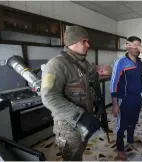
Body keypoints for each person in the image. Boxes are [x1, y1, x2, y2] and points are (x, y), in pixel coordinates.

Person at [41, 26, 100, 161]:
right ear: (73, 42)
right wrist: (81, 116)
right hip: (68, 126)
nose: (88, 45)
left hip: (84, 121)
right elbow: (49, 97)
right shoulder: (56, 65)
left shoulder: (84, 63)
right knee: (72, 157)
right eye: (84, 41)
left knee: (79, 152)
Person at [110, 36, 142, 161]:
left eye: (139, 45)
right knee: (122, 124)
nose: (138, 48)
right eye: (135, 45)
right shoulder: (120, 62)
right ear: (128, 45)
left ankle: (130, 141)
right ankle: (120, 149)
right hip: (124, 99)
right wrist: (115, 104)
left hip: (136, 98)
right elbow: (113, 83)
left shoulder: (140, 62)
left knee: (133, 121)